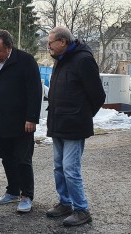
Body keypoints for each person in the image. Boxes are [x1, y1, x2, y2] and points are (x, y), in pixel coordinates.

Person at [46, 26, 106, 226]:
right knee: (58, 167)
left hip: (74, 125)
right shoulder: (60, 61)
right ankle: (65, 203)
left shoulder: (83, 60)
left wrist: (82, 115)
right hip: (58, 123)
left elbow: (98, 95)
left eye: (50, 43)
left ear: (63, 42)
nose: (48, 47)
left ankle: (82, 209)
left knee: (71, 169)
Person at [0, 30, 42, 212]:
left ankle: (27, 195)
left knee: (23, 159)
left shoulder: (25, 61)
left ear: (9, 48)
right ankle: (13, 191)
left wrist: (32, 118)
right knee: (6, 158)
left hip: (22, 123)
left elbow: (35, 91)